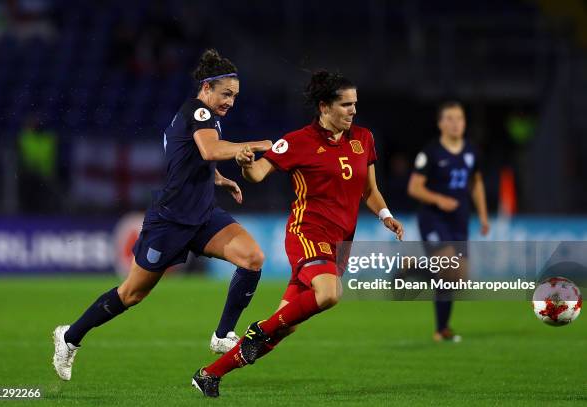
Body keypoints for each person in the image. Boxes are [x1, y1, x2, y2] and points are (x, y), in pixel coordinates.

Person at [52, 49, 273, 380]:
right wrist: (259, 145)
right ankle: (69, 338)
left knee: (253, 257)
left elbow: (189, 158)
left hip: (202, 216)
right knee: (132, 294)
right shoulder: (198, 112)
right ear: (207, 88)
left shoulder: (199, 117)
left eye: (235, 96)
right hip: (169, 221)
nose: (230, 101)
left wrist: (219, 178)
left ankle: (222, 335)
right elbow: (210, 149)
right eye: (226, 94)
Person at [191, 70, 404, 397]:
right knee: (330, 293)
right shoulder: (297, 141)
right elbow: (258, 174)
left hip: (340, 242)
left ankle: (210, 375)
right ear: (324, 107)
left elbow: (369, 189)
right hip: (307, 231)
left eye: (355, 104)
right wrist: (247, 162)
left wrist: (386, 215)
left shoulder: (364, 138)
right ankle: (257, 329)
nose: (353, 111)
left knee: (284, 325)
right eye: (345, 104)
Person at [407, 101, 489, 342]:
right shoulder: (431, 152)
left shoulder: (472, 152)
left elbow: (476, 183)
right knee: (448, 268)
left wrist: (483, 215)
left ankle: (414, 269)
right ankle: (441, 329)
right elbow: (414, 188)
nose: (456, 124)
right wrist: (439, 199)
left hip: (459, 220)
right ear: (441, 123)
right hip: (433, 219)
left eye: (460, 119)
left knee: (459, 277)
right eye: (450, 119)